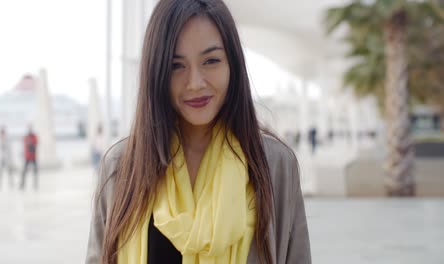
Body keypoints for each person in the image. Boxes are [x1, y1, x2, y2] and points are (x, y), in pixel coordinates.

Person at [85, 1, 311, 263]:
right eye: (176, 65)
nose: (195, 83)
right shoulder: (122, 166)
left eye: (211, 61)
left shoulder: (274, 165)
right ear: (156, 72)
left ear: (233, 65)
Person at [19, 125, 38, 190]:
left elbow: (35, 144)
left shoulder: (34, 137)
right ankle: (22, 184)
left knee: (35, 171)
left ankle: (35, 184)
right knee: (24, 171)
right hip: (27, 157)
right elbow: (24, 146)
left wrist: (31, 144)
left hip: (33, 157)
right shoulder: (26, 137)